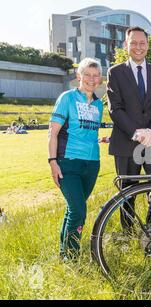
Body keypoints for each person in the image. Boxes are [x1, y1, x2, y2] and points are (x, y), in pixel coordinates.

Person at [107, 26, 151, 228]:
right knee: (127, 191)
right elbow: (115, 108)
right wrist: (136, 132)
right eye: (133, 42)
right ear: (126, 45)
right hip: (126, 141)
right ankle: (128, 233)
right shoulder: (115, 72)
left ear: (148, 45)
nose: (138, 47)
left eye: (142, 43)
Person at [48, 58, 104, 260]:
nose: (91, 79)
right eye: (87, 74)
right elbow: (52, 133)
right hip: (68, 162)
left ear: (100, 79)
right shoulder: (67, 98)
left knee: (74, 209)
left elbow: (89, 133)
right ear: (78, 76)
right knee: (79, 210)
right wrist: (52, 162)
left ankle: (64, 255)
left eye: (95, 75)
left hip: (92, 164)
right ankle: (72, 258)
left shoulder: (99, 104)